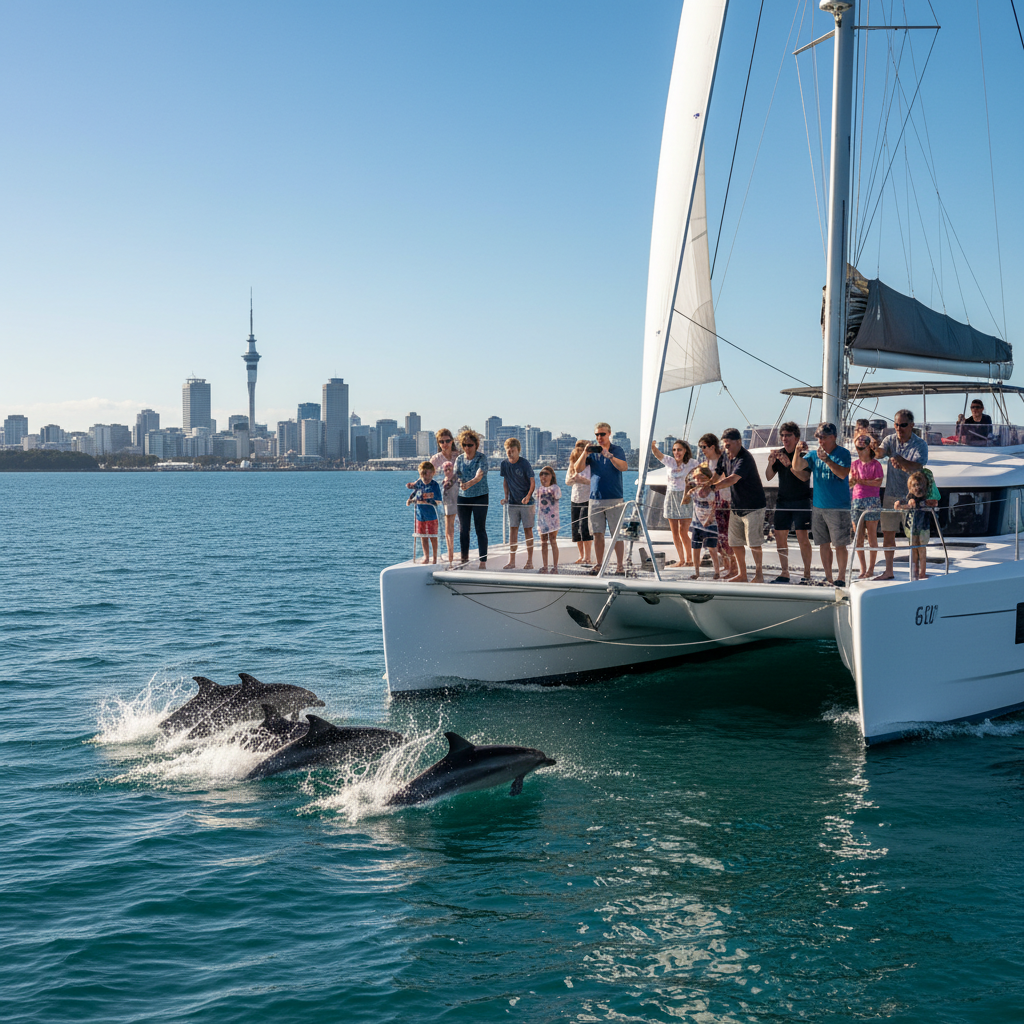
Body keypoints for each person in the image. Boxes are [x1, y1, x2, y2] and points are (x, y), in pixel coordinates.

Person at [869, 409, 928, 580]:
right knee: (888, 534)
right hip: (891, 494)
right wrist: (874, 448)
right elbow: (880, 453)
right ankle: (889, 571)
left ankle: (917, 571)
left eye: (902, 425)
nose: (898, 428)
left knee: (914, 537)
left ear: (911, 425)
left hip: (912, 497)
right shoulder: (889, 440)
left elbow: (917, 467)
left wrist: (901, 461)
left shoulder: (920, 444)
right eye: (896, 424)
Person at [793, 421, 851, 587]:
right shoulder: (813, 454)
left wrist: (827, 461)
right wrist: (797, 452)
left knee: (839, 544)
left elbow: (842, 474)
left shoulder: (843, 453)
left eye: (824, 438)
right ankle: (829, 577)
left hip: (838, 507)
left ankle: (840, 577)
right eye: (819, 438)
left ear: (833, 437)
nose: (820, 441)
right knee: (823, 544)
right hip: (818, 507)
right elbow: (797, 467)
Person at [710, 428, 766, 583]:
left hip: (753, 506)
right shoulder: (725, 456)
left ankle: (759, 575)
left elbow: (732, 479)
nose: (726, 448)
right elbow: (718, 472)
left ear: (739, 442)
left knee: (754, 543)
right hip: (736, 506)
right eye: (724, 445)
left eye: (728, 445)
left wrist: (713, 488)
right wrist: (709, 483)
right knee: (735, 542)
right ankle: (743, 574)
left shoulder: (745, 458)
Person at [765, 422, 812, 585]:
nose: (785, 438)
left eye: (788, 435)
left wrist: (789, 465)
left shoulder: (804, 455)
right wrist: (771, 462)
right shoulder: (780, 454)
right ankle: (785, 572)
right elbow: (769, 476)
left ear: (796, 438)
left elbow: (805, 477)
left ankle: (807, 573)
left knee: (802, 537)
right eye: (783, 435)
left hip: (801, 500)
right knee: (779, 537)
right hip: (783, 501)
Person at [583, 422, 628, 574]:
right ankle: (600, 563)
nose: (599, 437)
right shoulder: (592, 452)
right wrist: (584, 453)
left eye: (602, 434)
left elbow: (624, 467)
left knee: (617, 533)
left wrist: (609, 456)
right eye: (597, 434)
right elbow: (577, 468)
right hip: (595, 498)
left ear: (609, 434)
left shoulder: (617, 450)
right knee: (597, 533)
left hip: (614, 497)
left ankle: (620, 565)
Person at [651, 438, 699, 568]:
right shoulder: (669, 462)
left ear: (685, 451)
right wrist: (652, 445)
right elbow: (657, 454)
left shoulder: (692, 463)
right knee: (675, 532)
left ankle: (689, 559)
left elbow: (704, 472)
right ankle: (681, 560)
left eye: (679, 450)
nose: (676, 452)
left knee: (683, 531)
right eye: (674, 450)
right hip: (671, 496)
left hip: (685, 497)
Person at [698, 433, 737, 577]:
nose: (702, 450)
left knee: (726, 537)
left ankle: (734, 567)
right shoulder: (706, 464)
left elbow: (724, 481)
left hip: (724, 501)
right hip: (712, 502)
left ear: (712, 447)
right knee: (718, 539)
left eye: (704, 447)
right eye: (701, 447)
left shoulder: (723, 460)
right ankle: (727, 566)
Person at [453, 429, 489, 568]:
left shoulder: (481, 458)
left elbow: (479, 475)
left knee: (480, 528)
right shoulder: (459, 459)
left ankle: (483, 561)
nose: (467, 448)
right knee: (464, 529)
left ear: (476, 445)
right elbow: (457, 475)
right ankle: (464, 559)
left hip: (480, 496)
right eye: (464, 445)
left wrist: (468, 484)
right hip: (463, 498)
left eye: (470, 445)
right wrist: (462, 484)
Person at [849, 435, 884, 579]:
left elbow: (878, 482)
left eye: (861, 447)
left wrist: (860, 481)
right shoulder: (854, 464)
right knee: (858, 537)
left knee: (872, 536)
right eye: (857, 448)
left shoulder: (876, 464)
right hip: (857, 500)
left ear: (868, 447)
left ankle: (871, 568)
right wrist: (854, 481)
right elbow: (851, 483)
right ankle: (862, 569)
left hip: (872, 500)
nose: (859, 450)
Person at [499, 437, 535, 570]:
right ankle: (511, 561)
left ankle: (530, 561)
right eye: (508, 450)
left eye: (513, 450)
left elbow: (532, 482)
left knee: (528, 531)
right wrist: (506, 497)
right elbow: (505, 481)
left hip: (527, 503)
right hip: (513, 503)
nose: (510, 453)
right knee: (513, 530)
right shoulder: (504, 464)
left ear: (518, 450)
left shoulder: (524, 463)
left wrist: (528, 496)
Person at [895, 470, 938, 580]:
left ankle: (922, 572)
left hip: (923, 527)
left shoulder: (925, 498)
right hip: (912, 526)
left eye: (920, 485)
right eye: (914, 485)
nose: (917, 488)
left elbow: (930, 503)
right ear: (910, 487)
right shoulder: (909, 497)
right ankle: (914, 570)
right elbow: (906, 505)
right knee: (913, 547)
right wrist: (899, 505)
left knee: (921, 547)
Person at [682, 466, 721, 580]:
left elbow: (715, 506)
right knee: (696, 548)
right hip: (697, 524)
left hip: (710, 524)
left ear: (709, 478)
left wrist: (710, 518)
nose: (698, 480)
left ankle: (717, 571)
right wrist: (686, 488)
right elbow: (685, 501)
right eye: (696, 478)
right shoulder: (694, 491)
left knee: (712, 549)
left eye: (701, 477)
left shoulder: (713, 491)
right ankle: (696, 572)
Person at [430, 429, 461, 564]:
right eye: (441, 441)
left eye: (447, 441)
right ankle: (450, 556)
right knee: (448, 527)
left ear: (452, 441)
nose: (445, 444)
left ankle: (463, 553)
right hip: (446, 495)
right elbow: (428, 475)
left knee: (464, 526)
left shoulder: (459, 456)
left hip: (461, 494)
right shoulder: (436, 459)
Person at [406, 461, 442, 564]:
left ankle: (434, 558)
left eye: (428, 473)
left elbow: (439, 500)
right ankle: (426, 557)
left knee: (432, 536)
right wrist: (410, 500)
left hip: (431, 515)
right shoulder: (419, 483)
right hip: (420, 515)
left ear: (432, 473)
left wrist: (432, 501)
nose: (426, 477)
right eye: (423, 474)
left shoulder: (434, 485)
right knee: (422, 536)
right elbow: (414, 493)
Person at [565, 441, 594, 564]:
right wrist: (573, 479)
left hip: (587, 499)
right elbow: (567, 481)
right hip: (575, 498)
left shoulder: (591, 465)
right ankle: (581, 556)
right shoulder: (572, 466)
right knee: (576, 529)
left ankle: (588, 557)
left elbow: (594, 483)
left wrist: (582, 480)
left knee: (585, 529)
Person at [535, 466, 561, 574]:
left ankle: (555, 567)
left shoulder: (555, 488)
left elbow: (558, 496)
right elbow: (536, 499)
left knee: (553, 541)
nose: (543, 476)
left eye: (546, 474)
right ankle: (545, 566)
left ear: (551, 476)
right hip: (542, 519)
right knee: (543, 542)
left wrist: (549, 488)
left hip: (552, 519)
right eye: (541, 474)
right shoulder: (539, 489)